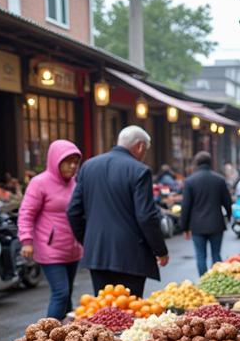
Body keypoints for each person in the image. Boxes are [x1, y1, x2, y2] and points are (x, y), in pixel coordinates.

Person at [66, 126, 169, 298]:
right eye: (145, 150)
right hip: (131, 255)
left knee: (102, 312)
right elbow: (146, 216)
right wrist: (160, 250)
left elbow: (73, 212)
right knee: (129, 312)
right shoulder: (139, 171)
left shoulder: (89, 166)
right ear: (140, 146)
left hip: (97, 253)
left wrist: (88, 240)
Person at [17, 139, 83, 320]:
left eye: (75, 162)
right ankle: (44, 337)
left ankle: (69, 340)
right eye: (68, 161)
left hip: (73, 248)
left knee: (67, 294)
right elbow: (26, 213)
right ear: (55, 161)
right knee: (61, 293)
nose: (72, 166)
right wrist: (26, 241)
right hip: (50, 248)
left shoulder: (75, 183)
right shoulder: (40, 183)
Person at [180, 151, 233, 276]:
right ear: (211, 162)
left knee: (200, 256)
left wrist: (185, 227)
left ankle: (204, 283)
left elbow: (185, 206)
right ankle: (218, 281)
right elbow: (227, 202)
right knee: (216, 254)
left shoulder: (190, 181)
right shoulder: (219, 179)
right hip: (216, 223)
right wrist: (229, 217)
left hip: (197, 225)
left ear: (196, 164)